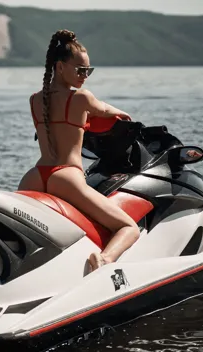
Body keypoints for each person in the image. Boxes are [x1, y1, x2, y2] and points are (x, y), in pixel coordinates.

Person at [17, 29, 140, 272]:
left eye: (89, 71)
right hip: (66, 177)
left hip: (35, 175)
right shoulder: (82, 98)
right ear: (60, 67)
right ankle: (103, 260)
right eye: (81, 70)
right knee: (128, 228)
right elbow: (105, 110)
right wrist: (124, 115)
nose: (85, 76)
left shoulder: (34, 99)